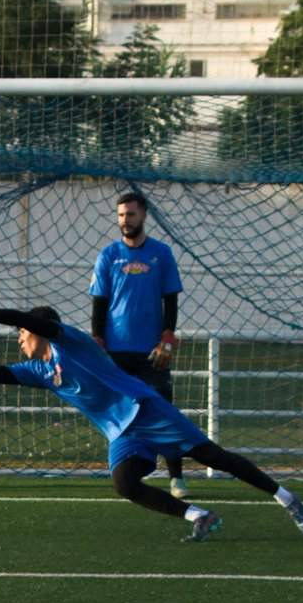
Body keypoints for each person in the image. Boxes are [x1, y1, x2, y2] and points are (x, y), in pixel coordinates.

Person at [0, 298, 303, 542]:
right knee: (123, 483)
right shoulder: (40, 371)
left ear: (43, 332)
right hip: (122, 433)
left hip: (145, 409)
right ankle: (199, 516)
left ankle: (287, 499)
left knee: (214, 456)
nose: (19, 338)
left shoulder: (74, 344)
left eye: (24, 333)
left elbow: (32, 321)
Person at [89, 191, 189, 498]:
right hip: (117, 353)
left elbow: (169, 300)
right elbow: (99, 303)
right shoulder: (108, 255)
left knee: (163, 410)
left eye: (130, 214)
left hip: (152, 353)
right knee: (121, 413)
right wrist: (99, 343)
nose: (125, 220)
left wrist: (168, 337)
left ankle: (176, 479)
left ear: (143, 215)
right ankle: (127, 473)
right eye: (120, 215)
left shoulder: (162, 253)